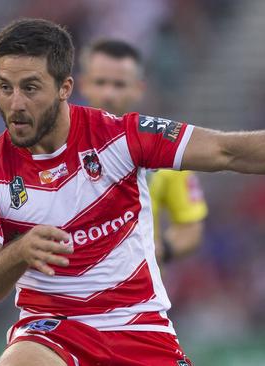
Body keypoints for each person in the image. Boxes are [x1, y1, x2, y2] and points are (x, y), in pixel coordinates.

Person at [0, 19, 265, 366]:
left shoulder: (121, 136)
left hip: (140, 331)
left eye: (30, 87)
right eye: (5, 87)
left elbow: (228, 150)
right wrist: (19, 253)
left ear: (64, 88)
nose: (15, 103)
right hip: (53, 332)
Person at [78, 39, 208, 264]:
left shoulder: (164, 148)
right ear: (82, 84)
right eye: (100, 83)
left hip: (140, 293)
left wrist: (161, 249)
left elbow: (191, 226)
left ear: (139, 89)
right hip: (71, 291)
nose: (108, 94)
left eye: (119, 85)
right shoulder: (53, 145)